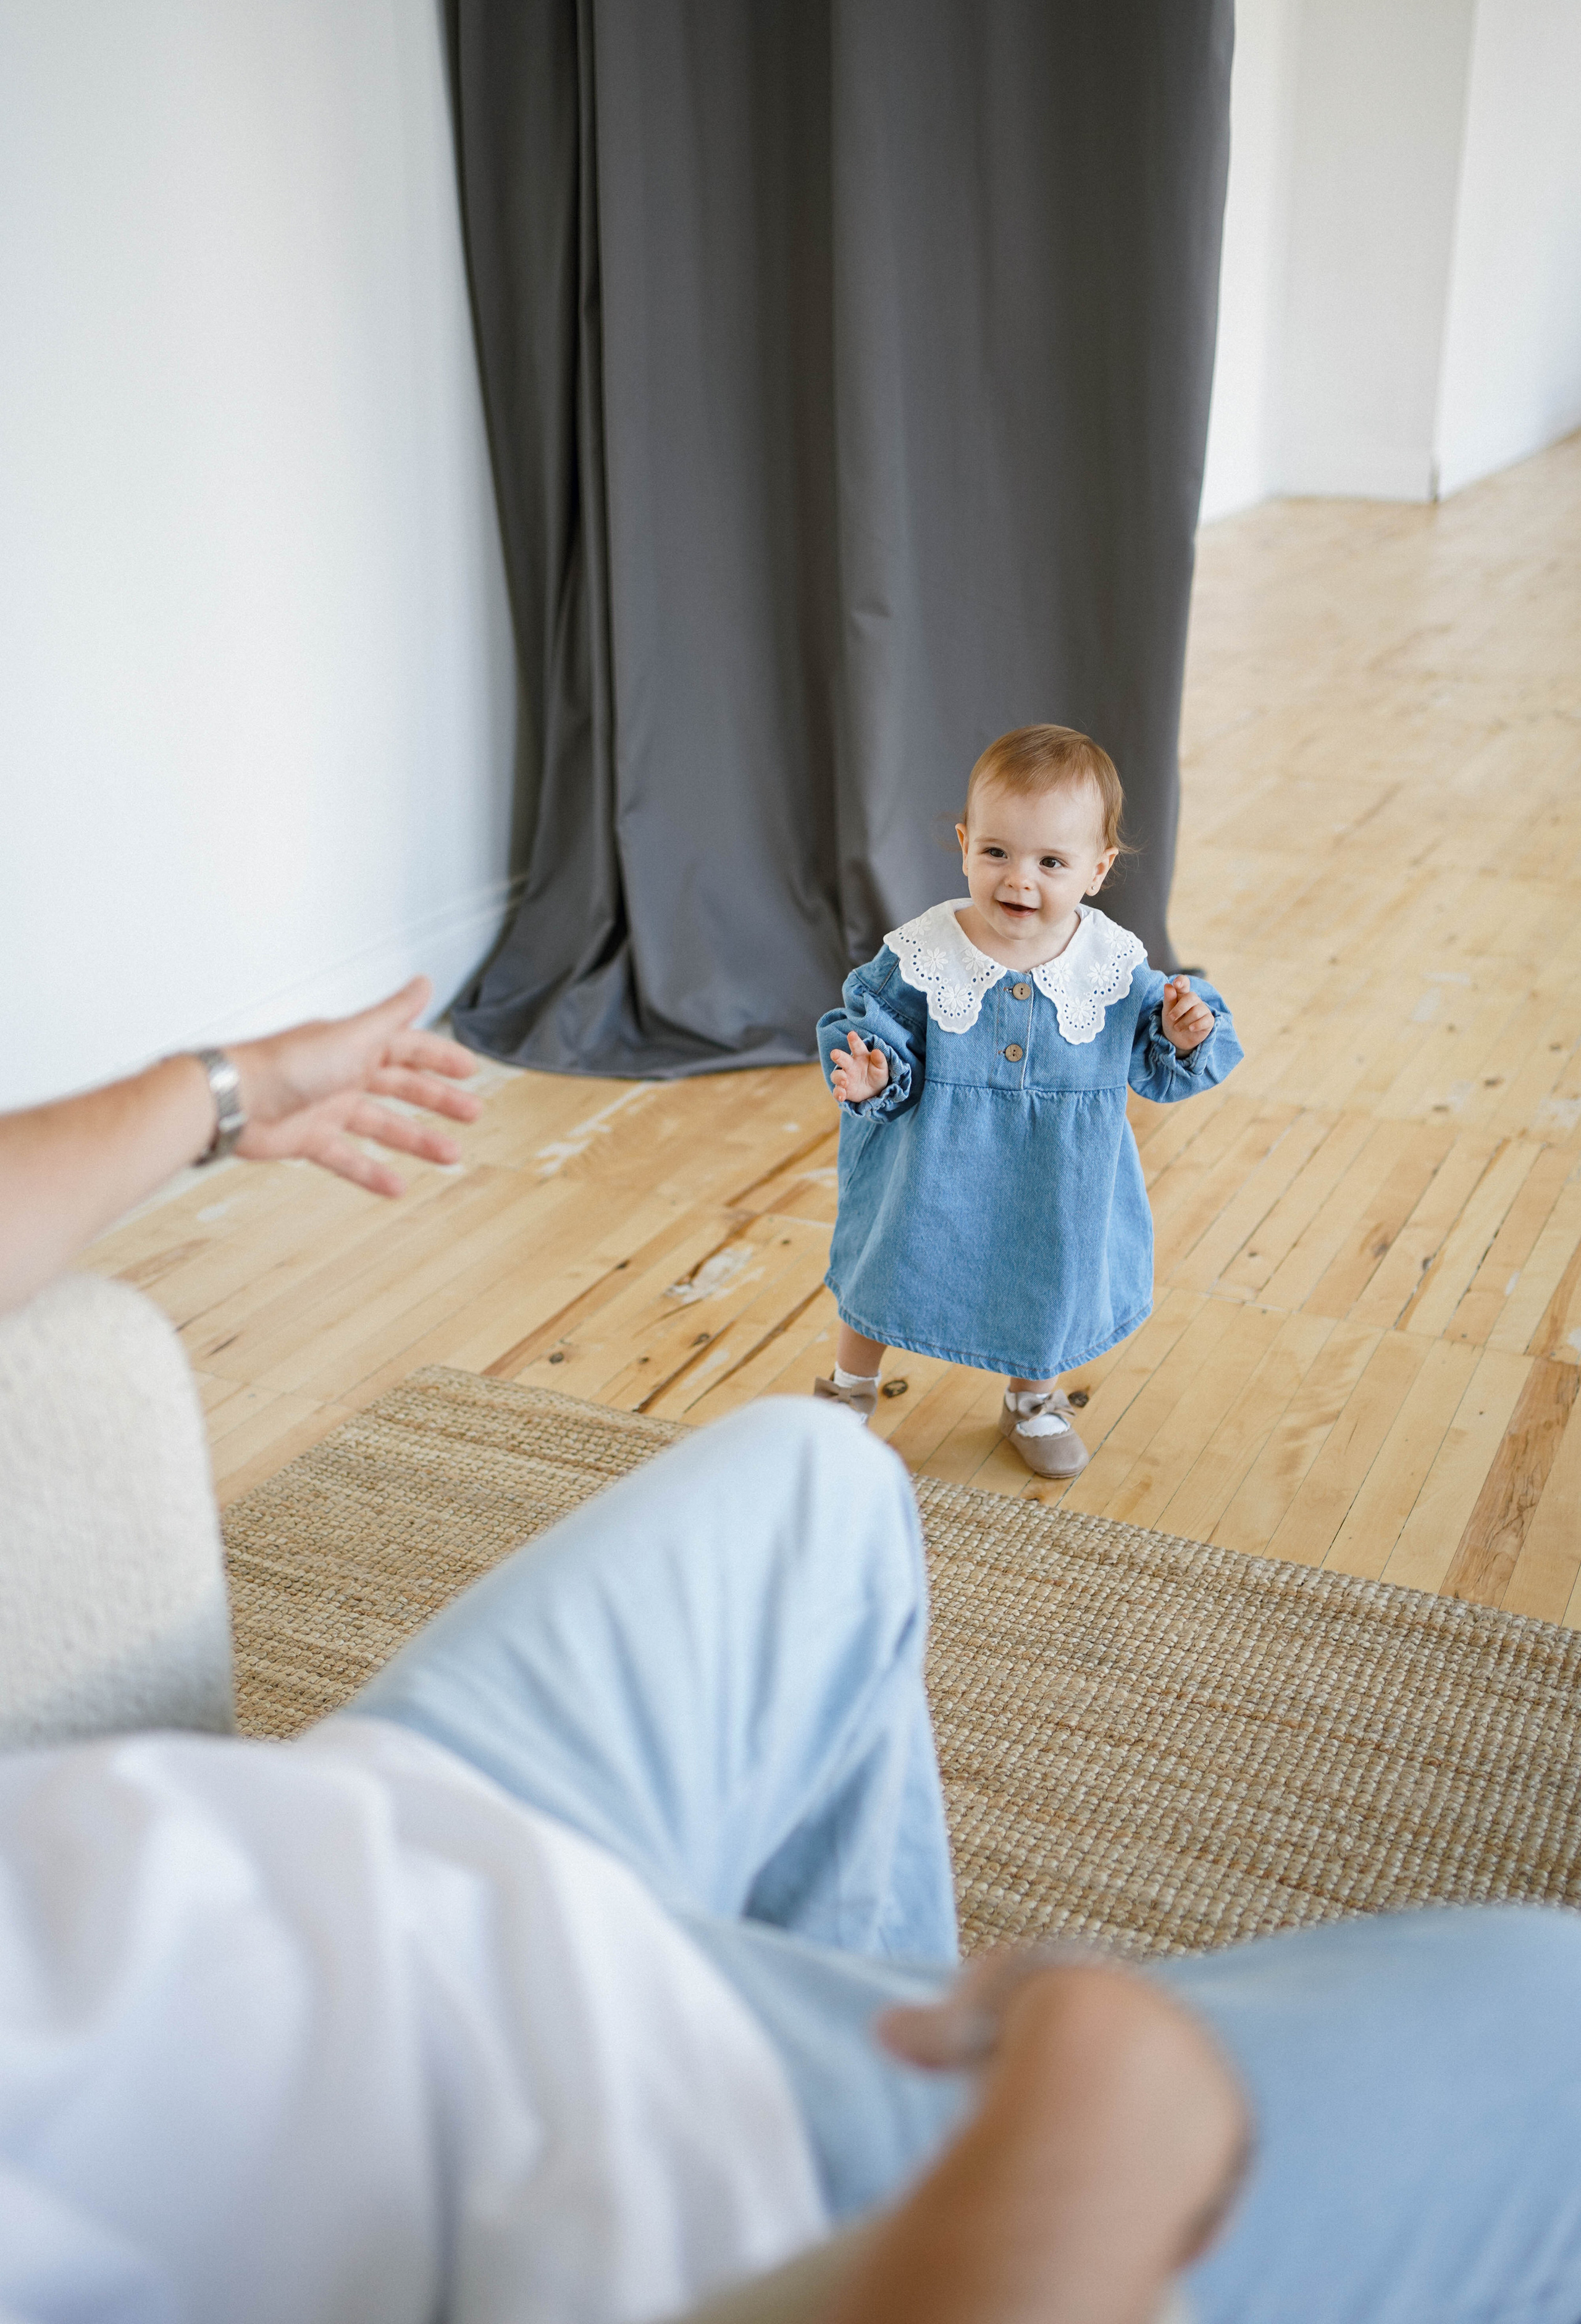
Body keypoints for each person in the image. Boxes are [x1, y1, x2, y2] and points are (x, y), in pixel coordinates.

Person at [6, 980, 1581, 2324]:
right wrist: (1074, 2148)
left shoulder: (1091, 959)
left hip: (335, 1852)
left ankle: (874, 1997)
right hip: (543, 2168)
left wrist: (208, 1093)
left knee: (812, 1484)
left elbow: (1168, 1060)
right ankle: (859, 2104)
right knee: (1543, 2025)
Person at [811, 726, 1242, 1479]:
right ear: (964, 842)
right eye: (996, 853)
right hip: (929, 1163)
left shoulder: (1110, 964)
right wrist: (874, 1077)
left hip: (1056, 1173)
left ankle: (1032, 1400)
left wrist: (1180, 1031)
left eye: (1051, 862)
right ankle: (849, 1388)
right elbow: (873, 1029)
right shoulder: (924, 952)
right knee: (885, 1265)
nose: (1019, 880)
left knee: (1049, 1273)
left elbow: (1156, 1062)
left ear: (1098, 869)